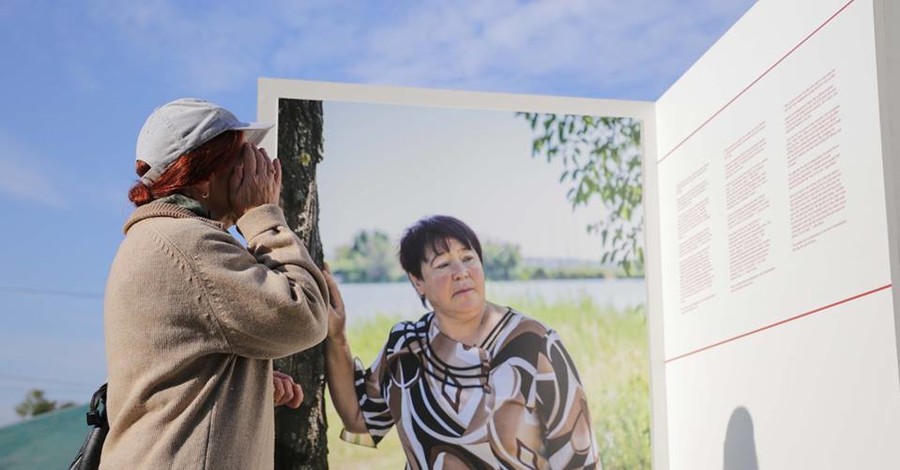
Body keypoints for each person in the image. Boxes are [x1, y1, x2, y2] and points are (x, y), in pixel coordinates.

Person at [101, 98, 330, 469]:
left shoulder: (156, 239)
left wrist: (248, 385)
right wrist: (261, 216)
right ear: (206, 175)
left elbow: (176, 368)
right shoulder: (188, 243)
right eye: (243, 157)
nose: (256, 168)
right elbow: (305, 316)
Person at [324, 215, 600, 469]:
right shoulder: (406, 346)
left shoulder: (535, 343)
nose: (461, 271)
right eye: (443, 264)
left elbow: (579, 454)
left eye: (468, 258)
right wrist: (336, 337)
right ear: (417, 281)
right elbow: (361, 420)